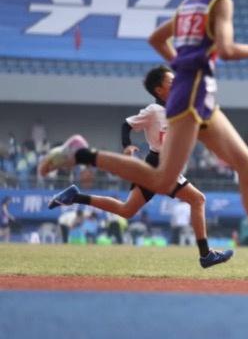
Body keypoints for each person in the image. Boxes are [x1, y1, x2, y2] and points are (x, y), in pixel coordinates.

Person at [38, 0, 248, 275]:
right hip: (192, 99)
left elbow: (157, 38)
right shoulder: (219, 1)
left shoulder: (188, 6)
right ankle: (80, 154)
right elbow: (227, 50)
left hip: (199, 96)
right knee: (164, 178)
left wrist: (182, 66)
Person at [47, 66, 232, 268]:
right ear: (159, 90)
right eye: (171, 82)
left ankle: (75, 197)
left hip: (161, 165)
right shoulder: (154, 111)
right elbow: (126, 125)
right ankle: (205, 255)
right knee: (198, 199)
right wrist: (127, 145)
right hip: (160, 165)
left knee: (126, 210)